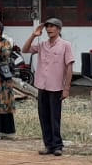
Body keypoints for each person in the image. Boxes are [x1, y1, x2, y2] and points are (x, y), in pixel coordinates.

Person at [20, 18, 74, 156]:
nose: (49, 29)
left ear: (59, 29)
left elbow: (69, 67)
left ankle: (57, 145)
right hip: (42, 85)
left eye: (53, 27)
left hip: (56, 86)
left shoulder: (65, 45)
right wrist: (34, 35)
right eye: (48, 27)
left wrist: (66, 88)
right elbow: (25, 49)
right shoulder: (42, 44)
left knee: (54, 116)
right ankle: (48, 145)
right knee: (43, 116)